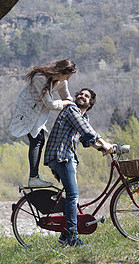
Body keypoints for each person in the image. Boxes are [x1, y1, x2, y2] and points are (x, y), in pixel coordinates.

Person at [43, 88, 114, 246]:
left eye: (86, 96)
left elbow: (87, 140)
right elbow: (86, 130)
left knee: (72, 197)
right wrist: (105, 143)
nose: (82, 96)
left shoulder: (84, 116)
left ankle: (64, 236)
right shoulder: (71, 110)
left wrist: (103, 149)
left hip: (67, 156)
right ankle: (73, 237)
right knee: (73, 195)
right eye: (81, 94)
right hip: (61, 156)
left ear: (90, 103)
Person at [9, 59, 77, 188]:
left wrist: (76, 109)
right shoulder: (40, 78)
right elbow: (50, 103)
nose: (67, 80)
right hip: (28, 112)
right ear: (61, 72)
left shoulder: (61, 81)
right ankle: (33, 178)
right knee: (36, 141)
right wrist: (67, 103)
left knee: (40, 140)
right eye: (67, 76)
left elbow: (67, 98)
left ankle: (35, 177)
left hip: (39, 114)